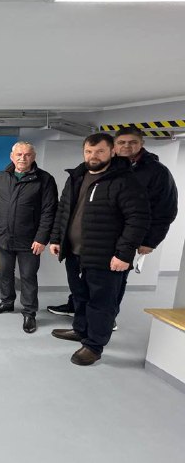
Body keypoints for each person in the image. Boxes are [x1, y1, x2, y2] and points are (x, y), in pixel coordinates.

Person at [47, 126, 178, 321]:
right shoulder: (89, 172)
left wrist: (149, 241)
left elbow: (162, 210)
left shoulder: (152, 172)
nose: (126, 146)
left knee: (108, 291)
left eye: (132, 142)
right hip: (87, 242)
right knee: (82, 285)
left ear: (141, 144)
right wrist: (58, 237)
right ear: (115, 146)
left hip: (117, 242)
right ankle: (81, 320)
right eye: (121, 142)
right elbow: (68, 208)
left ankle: (106, 323)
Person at [49, 133, 149, 365]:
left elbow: (138, 219)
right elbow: (63, 209)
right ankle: (81, 330)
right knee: (80, 296)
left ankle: (94, 346)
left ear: (112, 151)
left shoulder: (124, 180)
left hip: (106, 256)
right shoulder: (77, 176)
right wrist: (56, 238)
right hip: (74, 252)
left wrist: (124, 254)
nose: (93, 156)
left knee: (101, 303)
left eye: (100, 151)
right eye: (89, 151)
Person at [0, 141, 58, 334]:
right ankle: (7, 302)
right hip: (3, 236)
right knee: (5, 273)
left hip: (30, 240)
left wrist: (42, 238)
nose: (23, 158)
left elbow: (49, 212)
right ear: (12, 156)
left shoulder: (45, 179)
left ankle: (29, 312)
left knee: (28, 277)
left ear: (33, 157)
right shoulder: (2, 177)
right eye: (19, 154)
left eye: (27, 154)